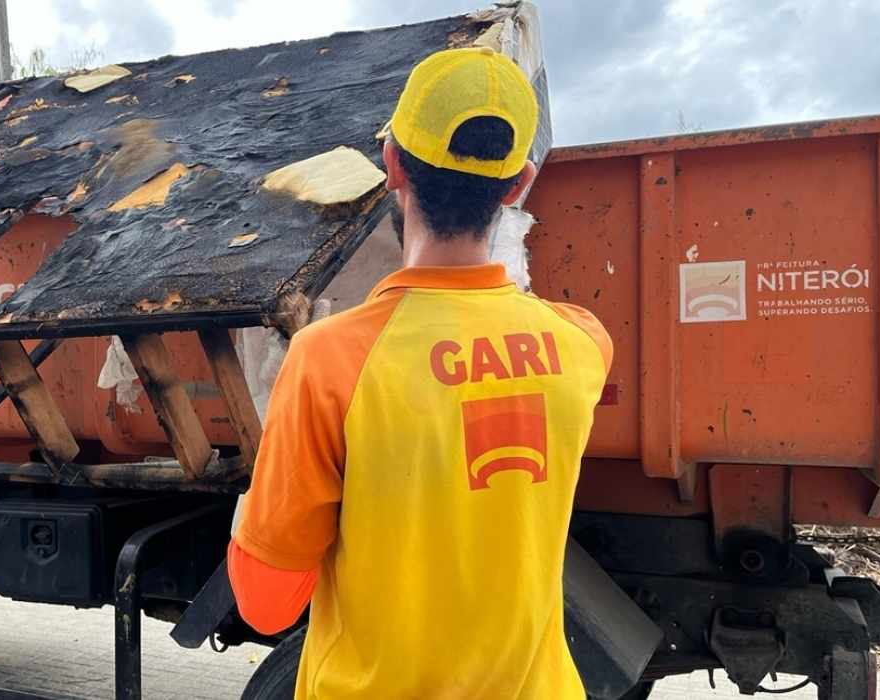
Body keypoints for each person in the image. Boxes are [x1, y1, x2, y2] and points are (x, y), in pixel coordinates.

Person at [227, 48, 613, 698]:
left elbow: (266, 605)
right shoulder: (581, 344)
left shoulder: (328, 361)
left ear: (393, 166)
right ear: (517, 185)